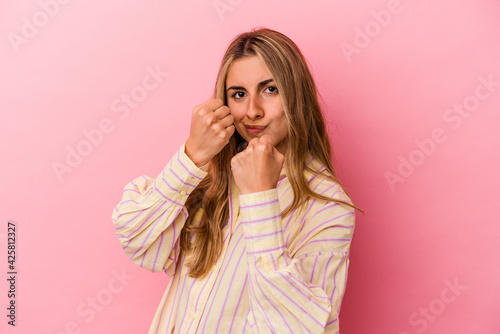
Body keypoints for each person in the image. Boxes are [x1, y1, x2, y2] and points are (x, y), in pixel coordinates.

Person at [112, 27, 359, 333]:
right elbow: (138, 240)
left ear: (297, 95)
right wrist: (192, 156)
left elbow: (296, 327)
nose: (252, 111)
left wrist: (260, 199)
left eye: (270, 90)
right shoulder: (212, 178)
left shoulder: (327, 207)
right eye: (239, 95)